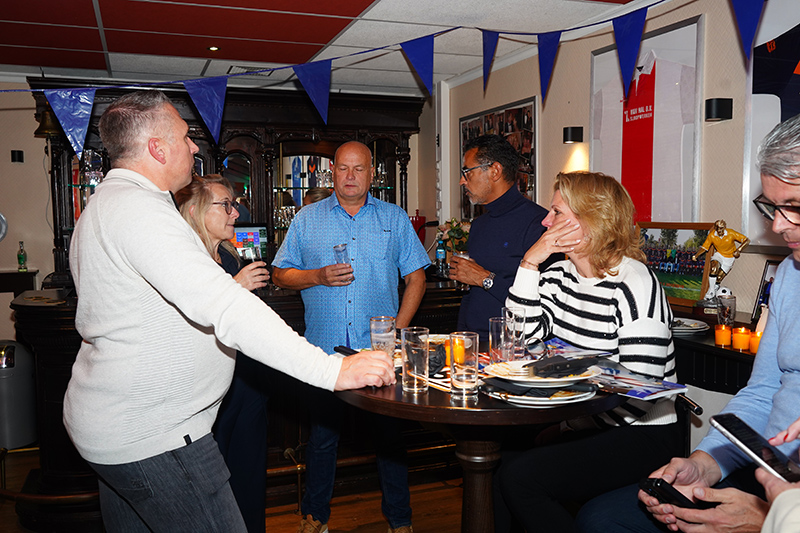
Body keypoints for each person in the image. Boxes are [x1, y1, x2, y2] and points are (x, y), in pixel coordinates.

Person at [64, 90, 395, 532]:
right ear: (157, 149)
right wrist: (334, 371)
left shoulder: (110, 203)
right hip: (156, 435)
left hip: (121, 428)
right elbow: (227, 306)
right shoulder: (140, 211)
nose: (195, 146)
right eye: (185, 137)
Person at [573, 112, 800, 533]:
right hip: (767, 472)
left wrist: (770, 520)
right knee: (602, 519)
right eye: (772, 206)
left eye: (795, 207)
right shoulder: (790, 275)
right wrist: (707, 462)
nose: (777, 224)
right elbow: (764, 390)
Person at [492, 171, 680, 532]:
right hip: (588, 420)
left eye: (557, 212)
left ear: (592, 221)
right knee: (504, 461)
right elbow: (520, 341)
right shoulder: (557, 274)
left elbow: (639, 388)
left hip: (639, 431)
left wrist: (567, 424)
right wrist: (529, 263)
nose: (546, 221)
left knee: (522, 479)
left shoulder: (634, 283)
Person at [272, 141, 429, 533]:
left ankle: (400, 521)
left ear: (372, 173)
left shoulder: (394, 219)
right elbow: (280, 274)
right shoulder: (307, 219)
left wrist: (399, 328)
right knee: (323, 440)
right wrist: (316, 276)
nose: (350, 176)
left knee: (389, 441)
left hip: (377, 353)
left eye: (358, 169)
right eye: (343, 168)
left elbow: (416, 278)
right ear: (332, 171)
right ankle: (315, 519)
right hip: (325, 353)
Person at [175, 174, 271, 533]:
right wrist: (237, 287)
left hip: (246, 381)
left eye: (234, 204)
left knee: (249, 474)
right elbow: (185, 324)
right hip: (206, 389)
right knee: (211, 484)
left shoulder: (230, 256)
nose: (235, 213)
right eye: (226, 205)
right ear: (197, 210)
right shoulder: (186, 262)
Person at [448, 134, 551, 342]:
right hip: (473, 344)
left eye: (467, 172)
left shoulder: (538, 224)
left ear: (495, 171)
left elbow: (541, 304)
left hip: (514, 348)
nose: (462, 181)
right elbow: (470, 294)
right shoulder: (479, 224)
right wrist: (459, 337)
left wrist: (485, 278)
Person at [692, 219, 749, 300]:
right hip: (719, 255)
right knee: (713, 267)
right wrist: (696, 255)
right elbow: (705, 247)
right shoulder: (712, 235)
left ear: (725, 227)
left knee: (718, 278)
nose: (720, 230)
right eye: (718, 228)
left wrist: (738, 250)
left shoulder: (731, 233)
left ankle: (714, 290)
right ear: (715, 228)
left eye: (722, 228)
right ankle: (711, 291)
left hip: (729, 258)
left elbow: (747, 240)